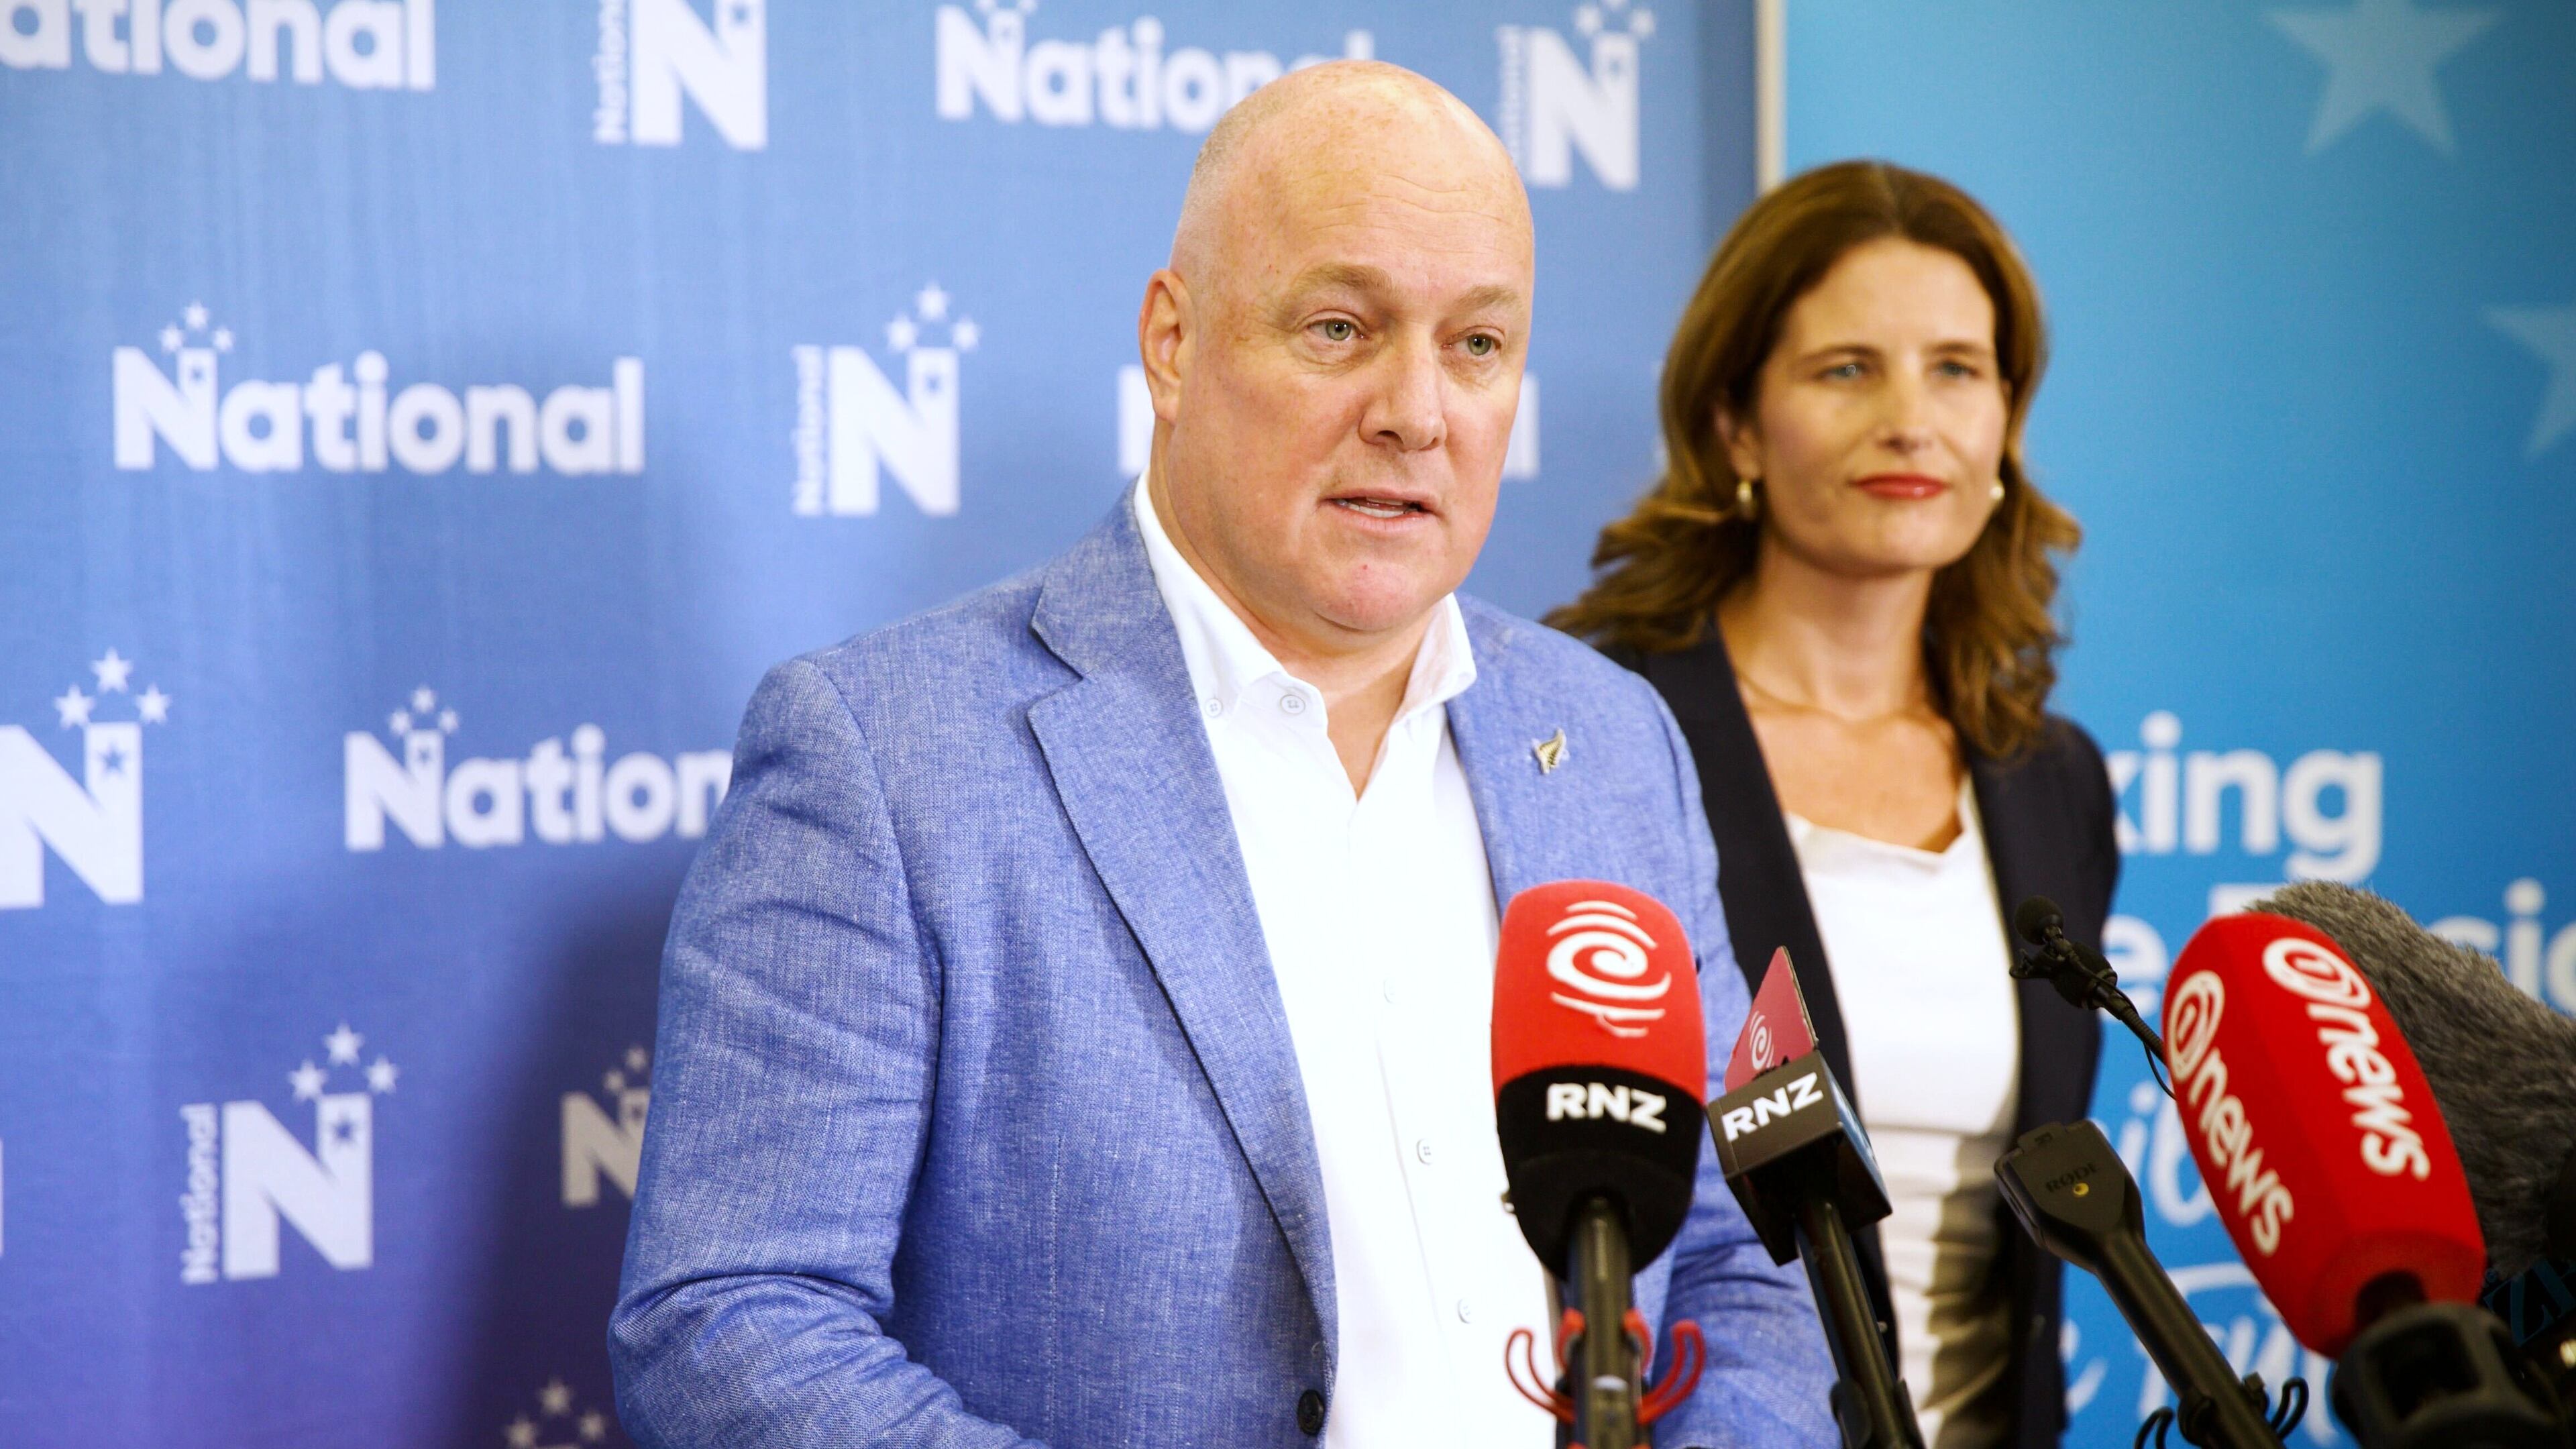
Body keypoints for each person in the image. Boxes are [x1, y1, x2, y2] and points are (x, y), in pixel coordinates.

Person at [608, 62, 1835, 1448]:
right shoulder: (887, 758)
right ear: (1174, 344)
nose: (1417, 410)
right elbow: (732, 1320)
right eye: (1339, 327)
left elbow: (1742, 1260)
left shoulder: (1610, 740)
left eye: (1478, 344)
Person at [1548, 160, 2118, 1449]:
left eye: (1957, 369)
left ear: (2007, 420)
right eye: (1848, 369)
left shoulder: (2052, 778)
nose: (1911, 421)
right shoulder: (1593, 732)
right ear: (1737, 424)